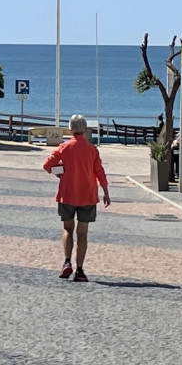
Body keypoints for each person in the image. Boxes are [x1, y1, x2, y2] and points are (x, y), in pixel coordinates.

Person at [42, 114, 112, 281]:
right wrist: (105, 191)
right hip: (87, 195)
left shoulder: (64, 147)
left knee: (68, 228)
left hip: (67, 194)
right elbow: (99, 171)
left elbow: (47, 165)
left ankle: (67, 262)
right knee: (83, 233)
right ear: (85, 129)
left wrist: (60, 172)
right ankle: (80, 270)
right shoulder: (92, 149)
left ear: (71, 129)